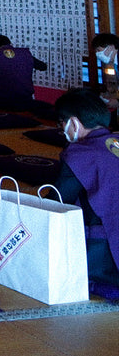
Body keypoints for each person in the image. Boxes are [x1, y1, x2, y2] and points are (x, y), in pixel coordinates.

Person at [54, 89, 118, 287]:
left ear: (74, 123)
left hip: (107, 256)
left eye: (61, 123)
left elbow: (57, 201)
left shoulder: (80, 154)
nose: (61, 128)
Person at [0, 35, 48, 109]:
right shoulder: (25, 54)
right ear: (10, 43)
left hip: (4, 99)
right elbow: (43, 67)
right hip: (26, 97)